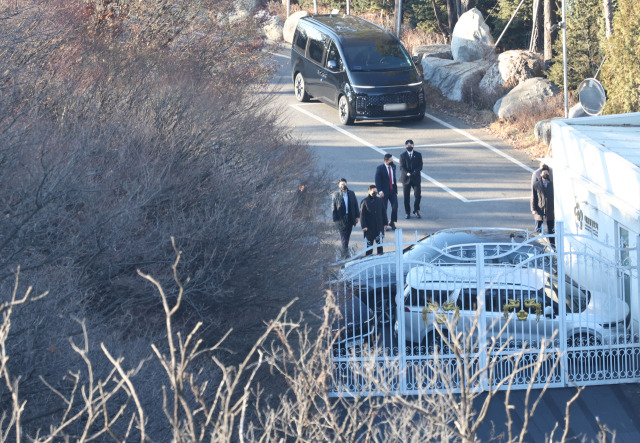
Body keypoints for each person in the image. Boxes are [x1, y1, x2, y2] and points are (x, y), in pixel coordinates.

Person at [331, 178, 360, 257]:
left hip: (350, 218)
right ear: (339, 185)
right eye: (341, 184)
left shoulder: (351, 193)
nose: (343, 185)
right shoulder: (336, 195)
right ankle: (345, 253)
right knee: (343, 236)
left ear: (347, 184)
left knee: (347, 235)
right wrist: (335, 220)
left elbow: (355, 205)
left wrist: (357, 216)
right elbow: (334, 208)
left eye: (344, 184)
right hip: (341, 219)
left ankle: (345, 251)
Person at [360, 185, 388, 255]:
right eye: (373, 191)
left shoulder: (380, 200)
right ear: (369, 191)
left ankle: (380, 258)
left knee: (380, 247)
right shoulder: (365, 201)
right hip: (369, 229)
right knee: (369, 248)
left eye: (376, 191)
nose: (375, 192)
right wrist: (364, 226)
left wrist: (385, 223)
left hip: (379, 228)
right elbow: (362, 215)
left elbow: (383, 212)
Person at [399, 139, 423, 219]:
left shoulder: (418, 155)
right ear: (405, 146)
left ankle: (416, 210)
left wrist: (415, 172)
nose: (409, 146)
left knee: (418, 195)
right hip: (406, 179)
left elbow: (420, 166)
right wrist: (407, 173)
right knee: (406, 197)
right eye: (408, 145)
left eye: (411, 145)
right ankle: (407, 212)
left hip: (415, 178)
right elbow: (402, 167)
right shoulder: (402, 155)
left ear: (413, 145)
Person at [531, 170, 555, 247]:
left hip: (550, 210)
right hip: (539, 210)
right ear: (540, 174)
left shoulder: (552, 185)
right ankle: (537, 245)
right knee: (538, 229)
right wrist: (534, 209)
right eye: (544, 173)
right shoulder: (536, 185)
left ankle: (552, 245)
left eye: (547, 173)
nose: (545, 174)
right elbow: (533, 198)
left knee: (551, 230)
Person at [374, 153, 398, 230]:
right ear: (386, 161)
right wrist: (380, 191)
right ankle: (384, 223)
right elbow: (377, 180)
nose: (392, 161)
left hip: (392, 190)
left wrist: (395, 188)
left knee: (395, 206)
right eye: (391, 160)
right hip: (384, 191)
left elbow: (393, 177)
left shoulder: (393, 166)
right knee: (384, 208)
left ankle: (392, 221)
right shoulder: (380, 168)